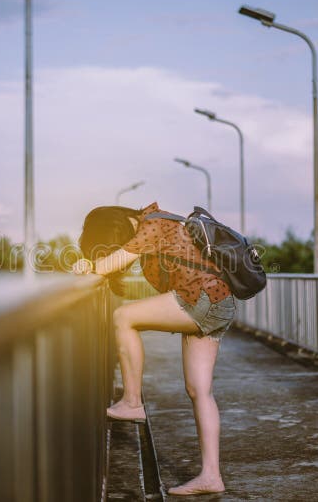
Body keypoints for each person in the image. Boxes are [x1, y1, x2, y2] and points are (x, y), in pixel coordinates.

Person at [72, 202, 236, 496]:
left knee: (123, 316)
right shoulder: (160, 221)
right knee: (199, 390)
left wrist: (88, 266)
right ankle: (211, 476)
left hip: (201, 300)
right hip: (216, 301)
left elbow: (108, 265)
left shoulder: (152, 225)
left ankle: (133, 401)